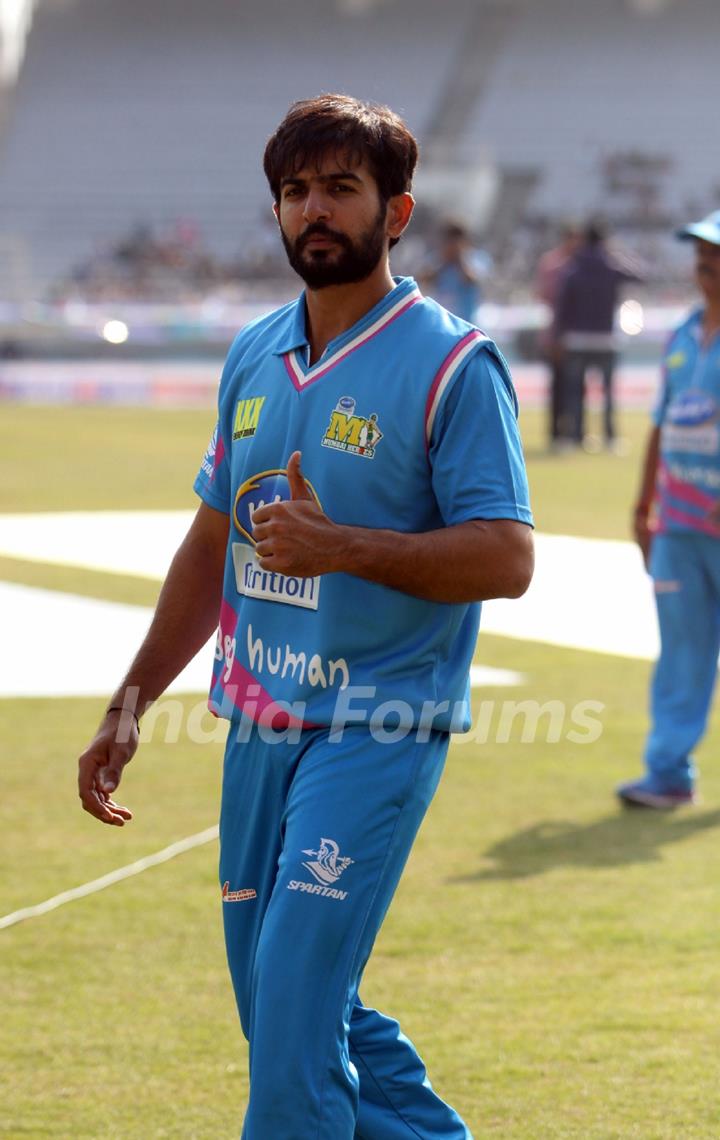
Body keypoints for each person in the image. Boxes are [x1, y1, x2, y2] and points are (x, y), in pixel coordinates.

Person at [77, 94, 534, 1138]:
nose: (313, 211)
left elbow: (507, 559)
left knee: (291, 1015)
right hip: (256, 724)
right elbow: (210, 546)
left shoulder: (454, 364)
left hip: (377, 724)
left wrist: (344, 549)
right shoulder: (253, 353)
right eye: (294, 192)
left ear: (398, 211)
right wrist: (130, 701)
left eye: (340, 189)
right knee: (288, 1006)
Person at [617, 209, 720, 810]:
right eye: (700, 253)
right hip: (679, 526)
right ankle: (667, 774)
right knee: (681, 654)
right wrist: (642, 503)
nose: (705, 263)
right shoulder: (683, 335)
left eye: (716, 253)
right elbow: (660, 424)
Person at [553, 220, 643, 449]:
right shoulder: (611, 266)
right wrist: (617, 253)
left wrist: (558, 335)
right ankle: (610, 438)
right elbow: (640, 276)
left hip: (577, 339)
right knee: (608, 393)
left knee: (575, 393)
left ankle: (574, 437)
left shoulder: (573, 268)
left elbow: (563, 306)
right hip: (606, 339)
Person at [534, 222, 581, 448]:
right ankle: (555, 433)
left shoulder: (579, 263)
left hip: (575, 333)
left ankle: (574, 432)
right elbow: (544, 295)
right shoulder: (554, 264)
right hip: (557, 332)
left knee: (577, 386)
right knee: (559, 385)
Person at [421, 220, 492, 323]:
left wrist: (460, 260)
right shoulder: (439, 259)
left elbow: (472, 280)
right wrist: (443, 262)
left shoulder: (477, 259)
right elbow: (424, 280)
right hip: (439, 320)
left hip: (465, 321)